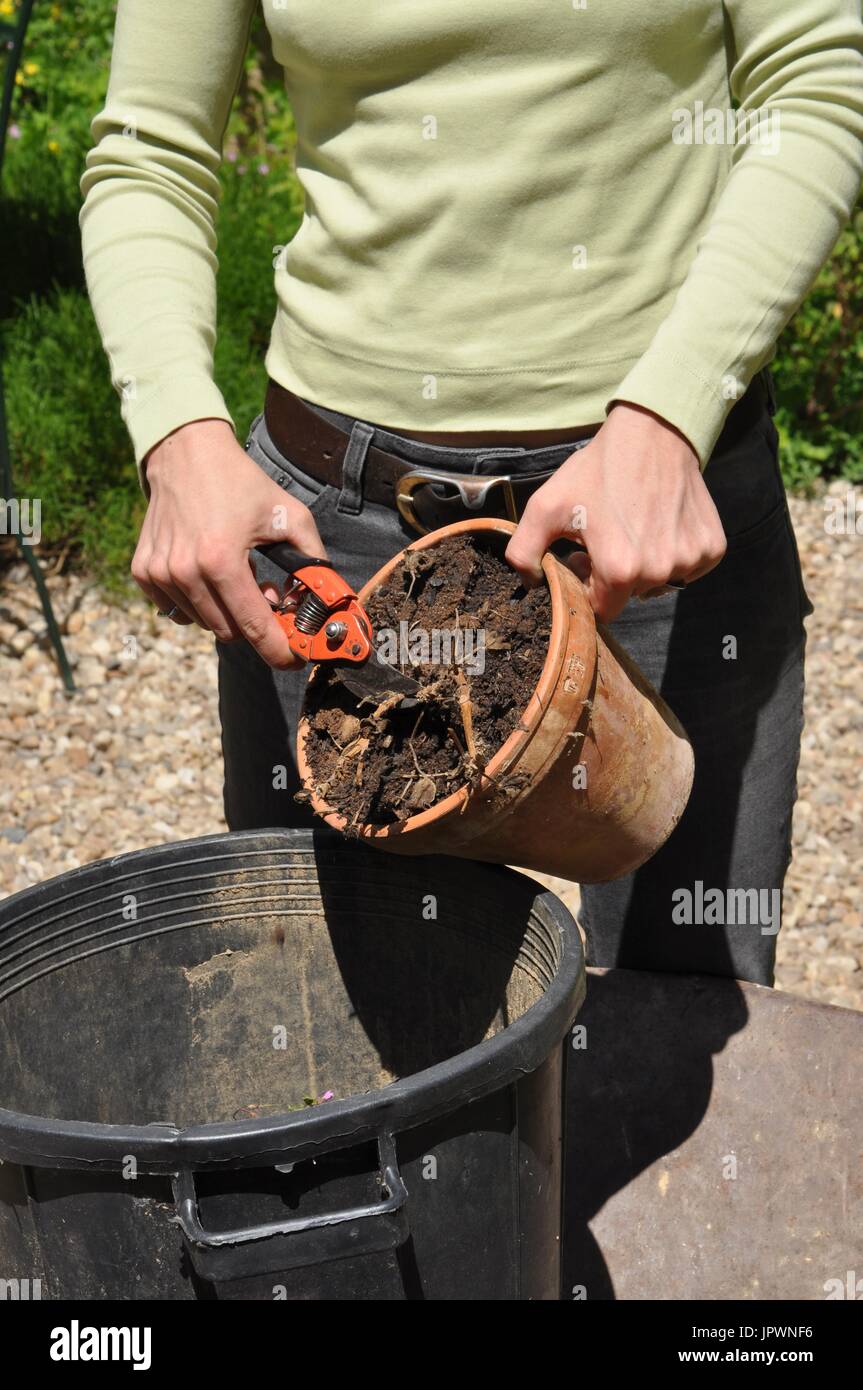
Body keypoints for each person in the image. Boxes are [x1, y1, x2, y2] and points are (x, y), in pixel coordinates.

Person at [81, 0, 863, 986]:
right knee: (333, 1068)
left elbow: (812, 85)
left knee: (674, 1028)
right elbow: (150, 150)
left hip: (647, 521)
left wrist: (668, 415)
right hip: (338, 543)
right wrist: (178, 436)